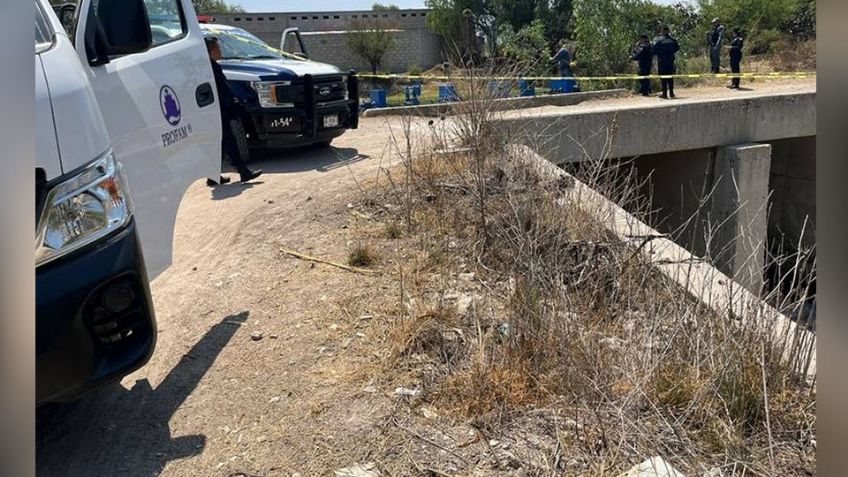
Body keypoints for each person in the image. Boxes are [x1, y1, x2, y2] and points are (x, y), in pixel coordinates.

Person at [205, 36, 262, 186]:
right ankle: (243, 171)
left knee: (222, 142)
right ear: (211, 51)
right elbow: (221, 90)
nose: (220, 51)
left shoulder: (209, 67)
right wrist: (230, 105)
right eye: (218, 48)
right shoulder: (211, 68)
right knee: (228, 140)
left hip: (216, 110)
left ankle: (213, 176)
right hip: (219, 110)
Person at [653, 26, 680, 99]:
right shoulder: (673, 40)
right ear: (668, 31)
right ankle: (671, 93)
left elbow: (654, 50)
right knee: (670, 77)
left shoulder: (659, 40)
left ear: (663, 31)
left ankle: (664, 94)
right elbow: (677, 48)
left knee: (663, 78)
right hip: (670, 61)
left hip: (662, 61)